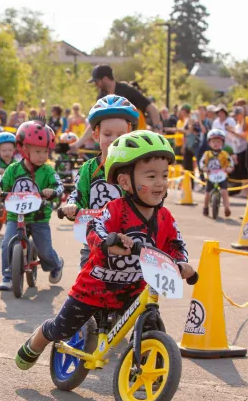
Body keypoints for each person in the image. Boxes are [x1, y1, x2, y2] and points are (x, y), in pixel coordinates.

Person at [14, 130, 192, 371]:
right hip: (94, 287)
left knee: (151, 323)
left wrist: (181, 262)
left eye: (164, 175)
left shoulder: (165, 217)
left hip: (133, 288)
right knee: (62, 328)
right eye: (151, 176)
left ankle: (151, 371)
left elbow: (176, 244)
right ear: (125, 181)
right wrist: (110, 240)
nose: (160, 183)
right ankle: (37, 340)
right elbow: (94, 229)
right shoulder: (115, 209)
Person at [62, 95, 138, 268]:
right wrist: (72, 205)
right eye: (107, 134)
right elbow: (78, 193)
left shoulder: (135, 170)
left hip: (129, 241)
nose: (114, 140)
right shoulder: (88, 169)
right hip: (95, 240)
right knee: (86, 284)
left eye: (121, 135)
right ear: (96, 135)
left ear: (130, 135)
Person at [0, 121, 64, 291]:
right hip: (16, 215)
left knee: (44, 250)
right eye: (38, 151)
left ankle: (56, 263)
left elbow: (58, 186)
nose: (42, 155)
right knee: (7, 242)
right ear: (23, 149)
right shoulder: (13, 169)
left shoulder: (48, 171)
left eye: (46, 151)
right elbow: (0, 182)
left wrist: (52, 191)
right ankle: (8, 276)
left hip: (38, 216)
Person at [75, 65, 162, 149]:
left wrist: (157, 130)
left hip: (137, 140)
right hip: (114, 143)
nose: (95, 84)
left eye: (97, 81)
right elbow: (94, 123)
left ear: (105, 79)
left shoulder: (127, 90)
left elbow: (151, 108)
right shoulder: (102, 97)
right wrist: (78, 144)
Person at [200, 129, 234, 217]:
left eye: (218, 142)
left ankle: (227, 208)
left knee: (224, 191)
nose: (215, 144)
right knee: (207, 193)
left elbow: (230, 162)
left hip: (222, 176)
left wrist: (229, 168)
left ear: (222, 143)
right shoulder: (207, 154)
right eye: (213, 141)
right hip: (211, 176)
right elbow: (202, 162)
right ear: (209, 143)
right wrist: (204, 168)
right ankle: (205, 207)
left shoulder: (224, 154)